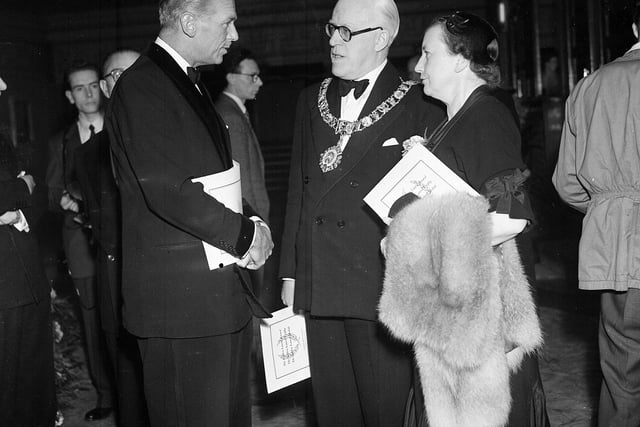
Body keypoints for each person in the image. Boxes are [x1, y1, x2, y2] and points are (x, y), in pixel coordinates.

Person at [105, 0, 274, 425]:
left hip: (217, 300)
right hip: (180, 312)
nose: (234, 35)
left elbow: (219, 175)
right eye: (228, 22)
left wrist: (253, 222)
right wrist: (244, 236)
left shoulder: (190, 84)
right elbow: (168, 190)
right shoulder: (142, 85)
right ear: (187, 22)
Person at [278, 0, 444, 425]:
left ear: (382, 38)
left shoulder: (420, 103)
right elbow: (298, 192)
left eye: (347, 32)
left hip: (379, 284)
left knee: (384, 409)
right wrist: (292, 275)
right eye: (332, 28)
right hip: (320, 281)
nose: (334, 40)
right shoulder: (308, 100)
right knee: (334, 411)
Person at [405, 11, 548, 426]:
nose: (418, 66)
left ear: (459, 60)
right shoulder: (455, 118)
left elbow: (512, 217)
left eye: (426, 54)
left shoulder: (485, 115)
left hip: (483, 310)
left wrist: (429, 239)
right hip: (459, 306)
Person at [553, 5, 640, 426]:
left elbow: (568, 184)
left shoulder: (594, 84)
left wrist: (612, 210)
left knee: (624, 375)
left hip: (620, 252)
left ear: (637, 26)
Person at [74, 49, 149, 427]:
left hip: (168, 284)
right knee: (127, 383)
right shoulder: (89, 156)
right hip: (114, 276)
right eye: (117, 75)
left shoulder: (171, 136)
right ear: (105, 87)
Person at [45, 61, 115, 421]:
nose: (88, 94)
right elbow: (51, 193)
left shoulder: (121, 127)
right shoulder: (61, 142)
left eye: (93, 86)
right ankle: (105, 395)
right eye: (80, 89)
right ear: (70, 97)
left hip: (119, 242)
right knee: (91, 320)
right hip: (81, 245)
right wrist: (65, 200)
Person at [0, 76, 57, 426]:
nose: (4, 85)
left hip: (28, 280)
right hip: (3, 289)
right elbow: (22, 186)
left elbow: (40, 192)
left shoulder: (1, 135)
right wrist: (20, 185)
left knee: (33, 393)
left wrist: (17, 207)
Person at [214, 47, 270, 294]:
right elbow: (240, 184)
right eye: (252, 76)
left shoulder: (236, 112)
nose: (259, 82)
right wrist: (254, 227)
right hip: (249, 226)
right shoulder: (230, 116)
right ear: (231, 76)